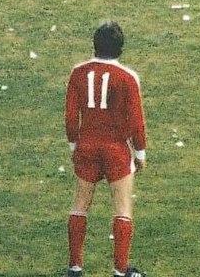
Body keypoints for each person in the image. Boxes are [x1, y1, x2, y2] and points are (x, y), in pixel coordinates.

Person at [65, 21, 148, 277]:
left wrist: (73, 144)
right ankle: (120, 270)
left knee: (80, 205)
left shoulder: (78, 73)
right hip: (116, 150)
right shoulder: (127, 77)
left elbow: (70, 116)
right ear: (121, 48)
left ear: (95, 44)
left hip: (87, 146)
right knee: (122, 209)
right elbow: (136, 121)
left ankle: (75, 267)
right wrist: (140, 153)